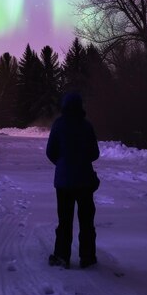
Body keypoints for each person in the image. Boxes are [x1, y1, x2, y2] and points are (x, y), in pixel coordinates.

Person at [46, 91, 100, 269]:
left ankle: (62, 256)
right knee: (86, 222)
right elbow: (95, 153)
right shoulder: (87, 126)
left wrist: (62, 164)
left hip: (64, 184)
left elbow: (50, 151)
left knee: (64, 221)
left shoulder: (58, 125)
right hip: (85, 181)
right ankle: (88, 257)